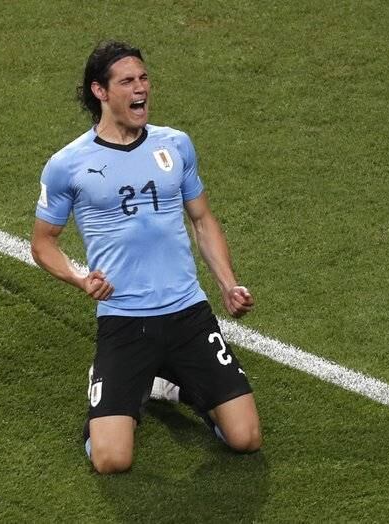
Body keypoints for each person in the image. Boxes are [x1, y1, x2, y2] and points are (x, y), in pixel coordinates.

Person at [31, 41, 261, 474]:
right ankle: (111, 401)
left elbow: (202, 219)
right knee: (112, 460)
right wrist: (80, 278)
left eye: (143, 78)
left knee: (246, 439)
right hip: (124, 321)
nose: (141, 89)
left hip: (189, 315)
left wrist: (228, 284)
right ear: (100, 91)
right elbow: (43, 243)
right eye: (127, 82)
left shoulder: (175, 144)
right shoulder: (68, 164)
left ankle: (172, 385)